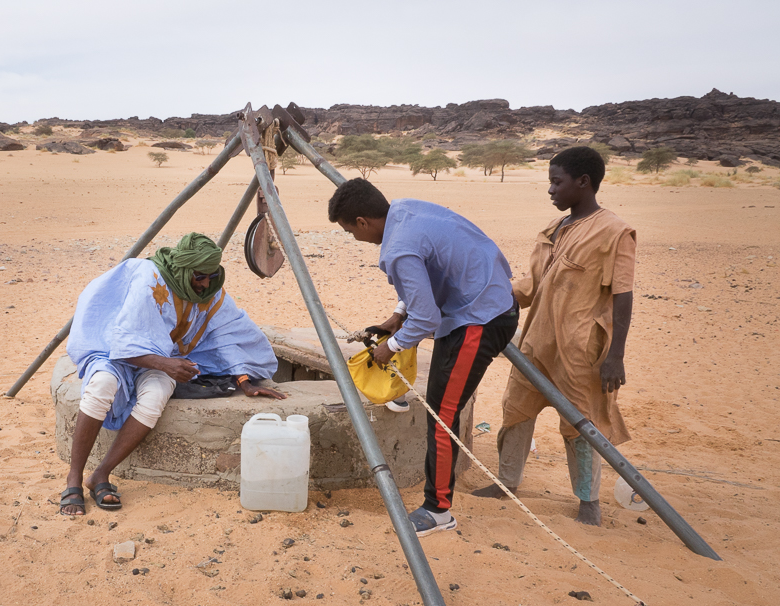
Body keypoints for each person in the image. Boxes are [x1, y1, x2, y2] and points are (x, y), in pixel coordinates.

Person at [328, 178, 518, 536]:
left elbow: (427, 318)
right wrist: (398, 315)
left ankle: (438, 511)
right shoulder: (404, 210)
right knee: (441, 407)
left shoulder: (397, 248)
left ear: (363, 222)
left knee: (442, 418)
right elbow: (429, 272)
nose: (353, 238)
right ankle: (438, 505)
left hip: (478, 320)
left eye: (349, 230)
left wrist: (392, 347)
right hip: (492, 297)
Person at [61, 232, 285, 515]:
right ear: (183, 269)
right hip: (114, 352)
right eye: (199, 277)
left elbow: (225, 334)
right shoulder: (150, 280)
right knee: (103, 384)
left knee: (155, 396)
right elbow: (124, 343)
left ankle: (101, 474)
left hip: (164, 358)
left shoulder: (209, 290)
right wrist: (166, 365)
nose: (204, 284)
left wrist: (244, 380)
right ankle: (73, 479)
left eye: (211, 276)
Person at [472, 146, 635, 526]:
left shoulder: (614, 232)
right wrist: (483, 296)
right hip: (535, 343)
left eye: (556, 182)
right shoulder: (553, 230)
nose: (550, 191)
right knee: (515, 411)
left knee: (581, 425)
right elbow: (530, 287)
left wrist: (616, 355)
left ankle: (587, 502)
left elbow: (623, 296)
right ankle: (506, 482)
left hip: (580, 350)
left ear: (583, 182)